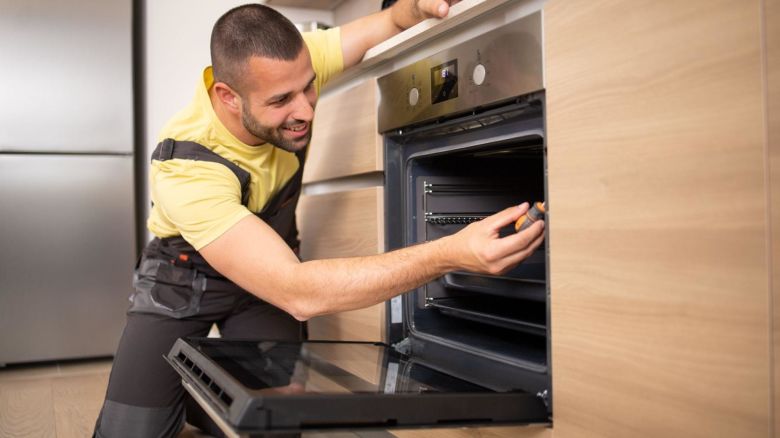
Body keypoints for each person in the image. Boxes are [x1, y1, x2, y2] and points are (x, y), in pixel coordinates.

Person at [93, 1, 546, 437]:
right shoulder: (187, 167)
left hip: (264, 281)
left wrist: (420, 6)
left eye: (308, 86)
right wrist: (450, 253)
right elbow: (298, 293)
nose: (306, 110)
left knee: (277, 420)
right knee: (130, 433)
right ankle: (180, 390)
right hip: (184, 278)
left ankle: (197, 390)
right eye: (281, 101)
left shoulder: (291, 66)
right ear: (228, 97)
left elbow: (390, 18)